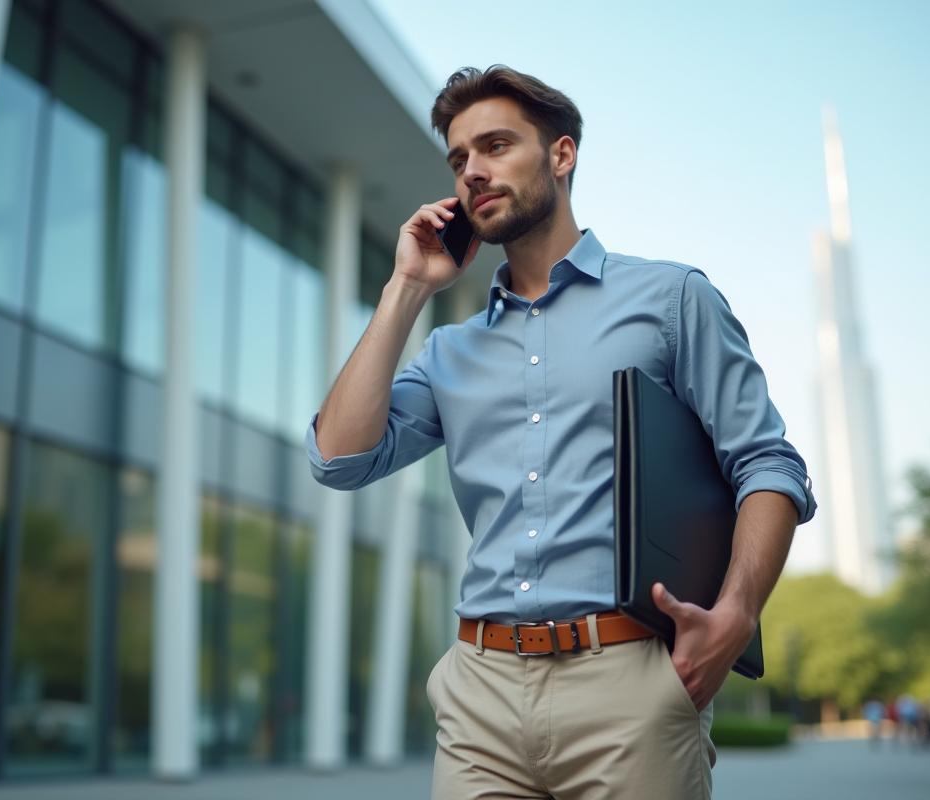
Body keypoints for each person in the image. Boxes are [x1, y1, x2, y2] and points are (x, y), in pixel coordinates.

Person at [307, 65, 815, 800]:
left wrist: (736, 613)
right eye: (458, 159)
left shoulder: (672, 299)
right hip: (479, 693)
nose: (472, 171)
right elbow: (339, 461)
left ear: (561, 155)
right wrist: (407, 288)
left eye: (495, 145)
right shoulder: (449, 352)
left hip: (630, 680)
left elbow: (768, 464)